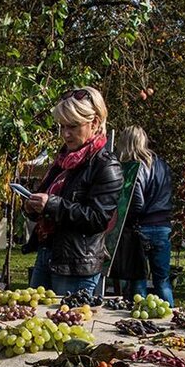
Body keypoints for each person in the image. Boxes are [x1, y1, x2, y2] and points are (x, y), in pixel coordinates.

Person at [22, 87, 123, 298]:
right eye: (62, 126)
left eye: (73, 126)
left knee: (68, 327)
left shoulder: (106, 166)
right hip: (47, 256)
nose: (65, 134)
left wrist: (52, 204)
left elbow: (98, 219)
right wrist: (32, 206)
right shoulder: (62, 161)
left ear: (94, 123)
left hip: (77, 266)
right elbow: (47, 201)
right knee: (33, 323)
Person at [116, 125, 174, 304]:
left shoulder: (135, 167)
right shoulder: (161, 164)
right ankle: (170, 318)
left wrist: (123, 218)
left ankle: (138, 317)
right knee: (163, 280)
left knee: (138, 278)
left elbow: (137, 203)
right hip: (163, 225)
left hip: (142, 227)